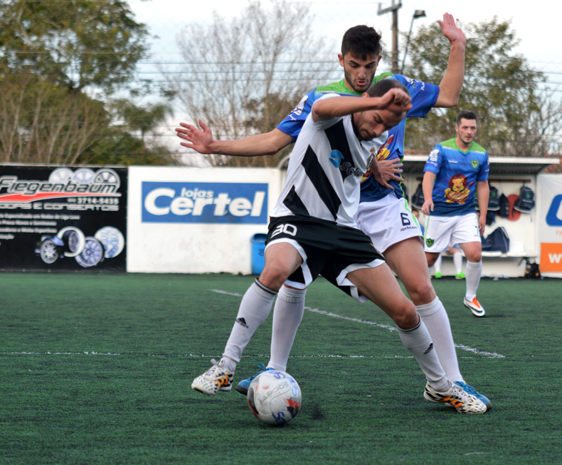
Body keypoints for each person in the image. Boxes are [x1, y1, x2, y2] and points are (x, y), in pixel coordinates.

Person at [177, 15, 491, 409]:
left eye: (369, 66)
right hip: (302, 218)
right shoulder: (331, 101)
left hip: (355, 219)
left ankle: (447, 383)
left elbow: (444, 97)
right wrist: (215, 146)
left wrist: (457, 45)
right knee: (281, 274)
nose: (362, 74)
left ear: (379, 61)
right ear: (341, 60)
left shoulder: (395, 97)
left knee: (410, 303)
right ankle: (240, 366)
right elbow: (293, 129)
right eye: (354, 65)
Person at [421, 110, 489, 318]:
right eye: (465, 127)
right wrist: (427, 198)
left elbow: (483, 185)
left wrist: (483, 215)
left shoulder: (481, 154)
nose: (469, 132)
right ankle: (419, 298)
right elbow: (428, 175)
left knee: (475, 253)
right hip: (439, 212)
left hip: (465, 212)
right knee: (429, 260)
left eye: (473, 128)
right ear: (457, 128)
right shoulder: (442, 149)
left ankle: (470, 296)